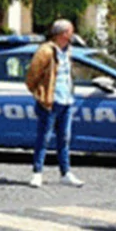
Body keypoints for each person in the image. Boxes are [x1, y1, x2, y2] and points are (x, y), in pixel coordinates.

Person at [25, 19, 84, 188]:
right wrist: (40, 94)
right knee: (43, 138)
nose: (72, 35)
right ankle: (37, 173)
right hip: (50, 102)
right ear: (63, 34)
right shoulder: (46, 51)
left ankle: (65, 172)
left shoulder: (68, 51)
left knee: (64, 139)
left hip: (66, 101)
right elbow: (32, 76)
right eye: (70, 31)